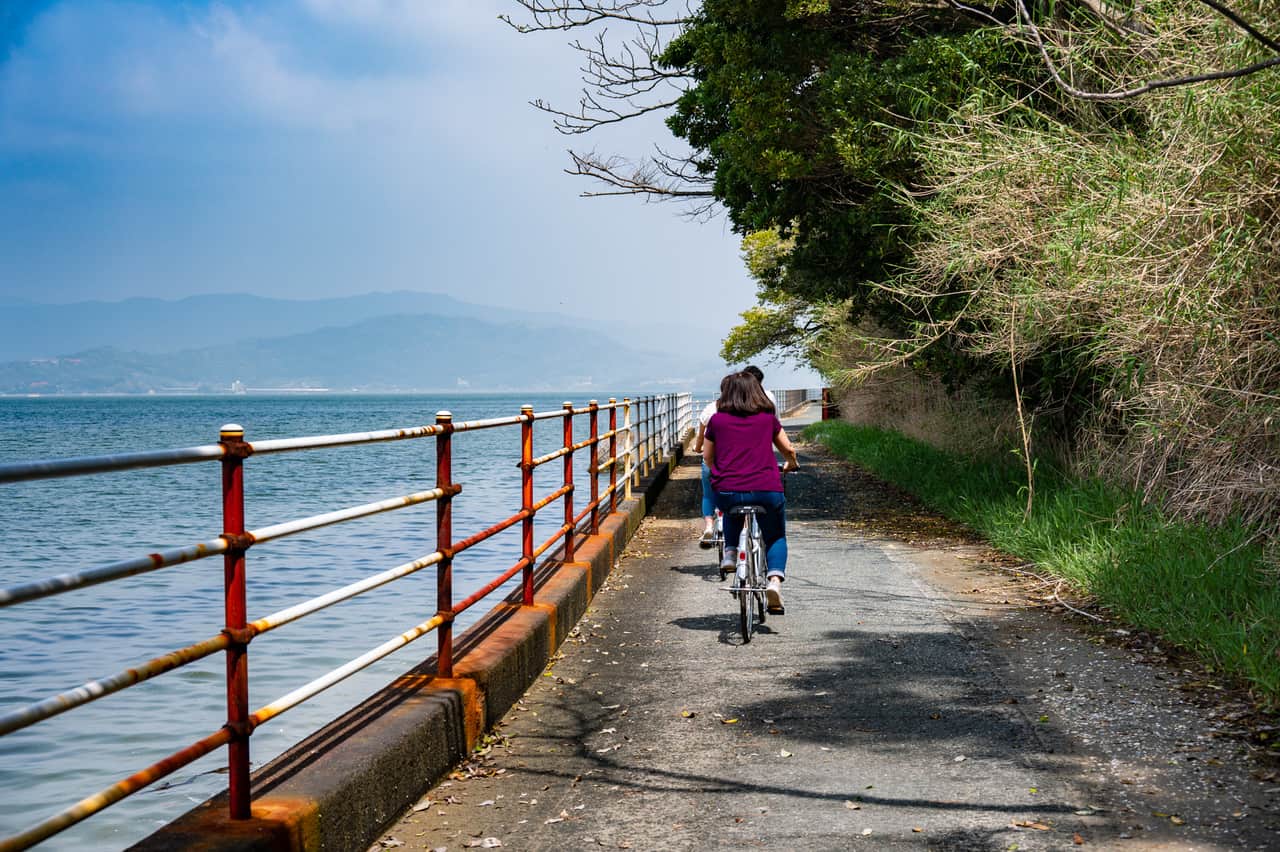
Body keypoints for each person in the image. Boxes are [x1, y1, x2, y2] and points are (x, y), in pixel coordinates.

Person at [703, 371, 799, 613]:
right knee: (775, 535)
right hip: (766, 489)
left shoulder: (717, 421)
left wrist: (721, 473)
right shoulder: (767, 419)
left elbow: (707, 457)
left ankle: (730, 553)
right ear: (756, 391)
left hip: (727, 490)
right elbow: (788, 449)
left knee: (730, 511)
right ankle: (774, 582)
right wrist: (791, 463)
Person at [694, 365, 775, 547]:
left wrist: (697, 448)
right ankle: (743, 531)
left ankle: (709, 526)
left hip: (713, 462)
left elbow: (701, 442)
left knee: (709, 495)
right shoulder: (750, 409)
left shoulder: (710, 410)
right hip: (738, 463)